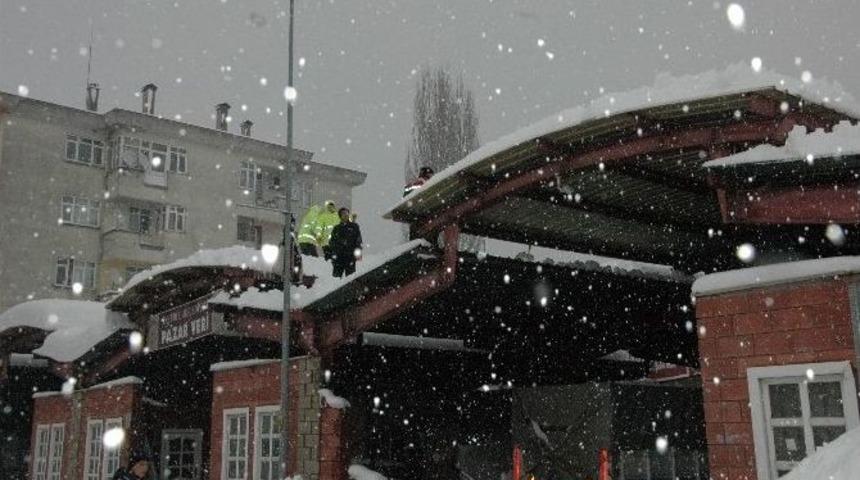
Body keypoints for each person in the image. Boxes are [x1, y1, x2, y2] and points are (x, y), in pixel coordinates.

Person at [328, 207, 363, 277]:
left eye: (347, 213)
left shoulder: (354, 226)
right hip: (339, 257)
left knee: (351, 278)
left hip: (350, 256)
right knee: (336, 277)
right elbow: (332, 242)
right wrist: (334, 251)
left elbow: (358, 240)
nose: (346, 215)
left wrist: (358, 252)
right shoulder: (336, 228)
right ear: (340, 216)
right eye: (343, 213)